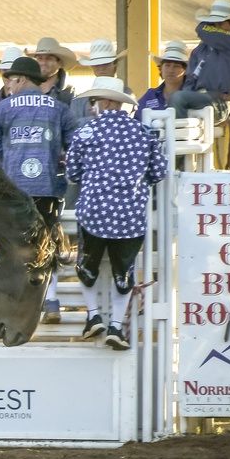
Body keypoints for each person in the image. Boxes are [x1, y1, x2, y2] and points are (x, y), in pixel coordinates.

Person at [66, 77, 168, 351]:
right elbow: (159, 173)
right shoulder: (145, 133)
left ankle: (93, 316)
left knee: (87, 266)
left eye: (94, 100)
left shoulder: (86, 133)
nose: (91, 106)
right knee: (123, 274)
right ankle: (116, 327)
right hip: (130, 217)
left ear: (107, 102)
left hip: (94, 213)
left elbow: (73, 175)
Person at [0, 56, 78, 323]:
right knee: (48, 241)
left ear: (21, 79)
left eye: (12, 80)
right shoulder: (58, 108)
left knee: (15, 245)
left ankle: (22, 304)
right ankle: (50, 300)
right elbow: (74, 144)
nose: (10, 85)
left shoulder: (4, 108)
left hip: (14, 189)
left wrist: (13, 163)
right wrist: (54, 157)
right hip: (48, 187)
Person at [168, 0, 230, 123]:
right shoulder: (199, 50)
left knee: (177, 97)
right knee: (175, 100)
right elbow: (189, 80)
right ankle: (180, 137)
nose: (216, 28)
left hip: (218, 102)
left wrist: (205, 24)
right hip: (198, 98)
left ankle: (179, 138)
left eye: (221, 23)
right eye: (215, 24)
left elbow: (201, 30)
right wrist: (188, 96)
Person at [74, 39, 127, 124]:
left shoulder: (128, 95)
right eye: (97, 65)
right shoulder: (78, 101)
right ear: (92, 66)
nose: (101, 68)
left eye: (106, 64)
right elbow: (73, 126)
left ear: (115, 64)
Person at [136, 41, 189, 121]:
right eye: (167, 65)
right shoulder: (150, 95)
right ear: (161, 68)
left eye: (176, 66)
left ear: (186, 71)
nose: (171, 70)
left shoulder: (192, 96)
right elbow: (136, 120)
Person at [27, 37, 77, 105]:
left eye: (49, 58)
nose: (43, 63)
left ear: (60, 63)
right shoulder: (26, 89)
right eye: (39, 58)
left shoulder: (69, 93)